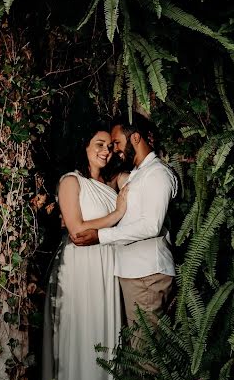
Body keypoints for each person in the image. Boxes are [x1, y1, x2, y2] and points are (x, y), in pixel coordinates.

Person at [42, 123, 129, 380]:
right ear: (84, 146)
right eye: (99, 143)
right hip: (80, 268)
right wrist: (117, 211)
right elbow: (77, 228)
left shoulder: (110, 184)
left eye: (109, 145)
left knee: (106, 340)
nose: (106, 150)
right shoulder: (70, 181)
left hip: (105, 266)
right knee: (82, 338)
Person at [72, 114, 178, 346]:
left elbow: (151, 226)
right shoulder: (138, 174)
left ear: (136, 138)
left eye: (118, 143)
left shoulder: (157, 174)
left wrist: (100, 236)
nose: (115, 149)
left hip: (147, 274)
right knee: (137, 349)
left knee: (146, 353)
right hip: (133, 273)